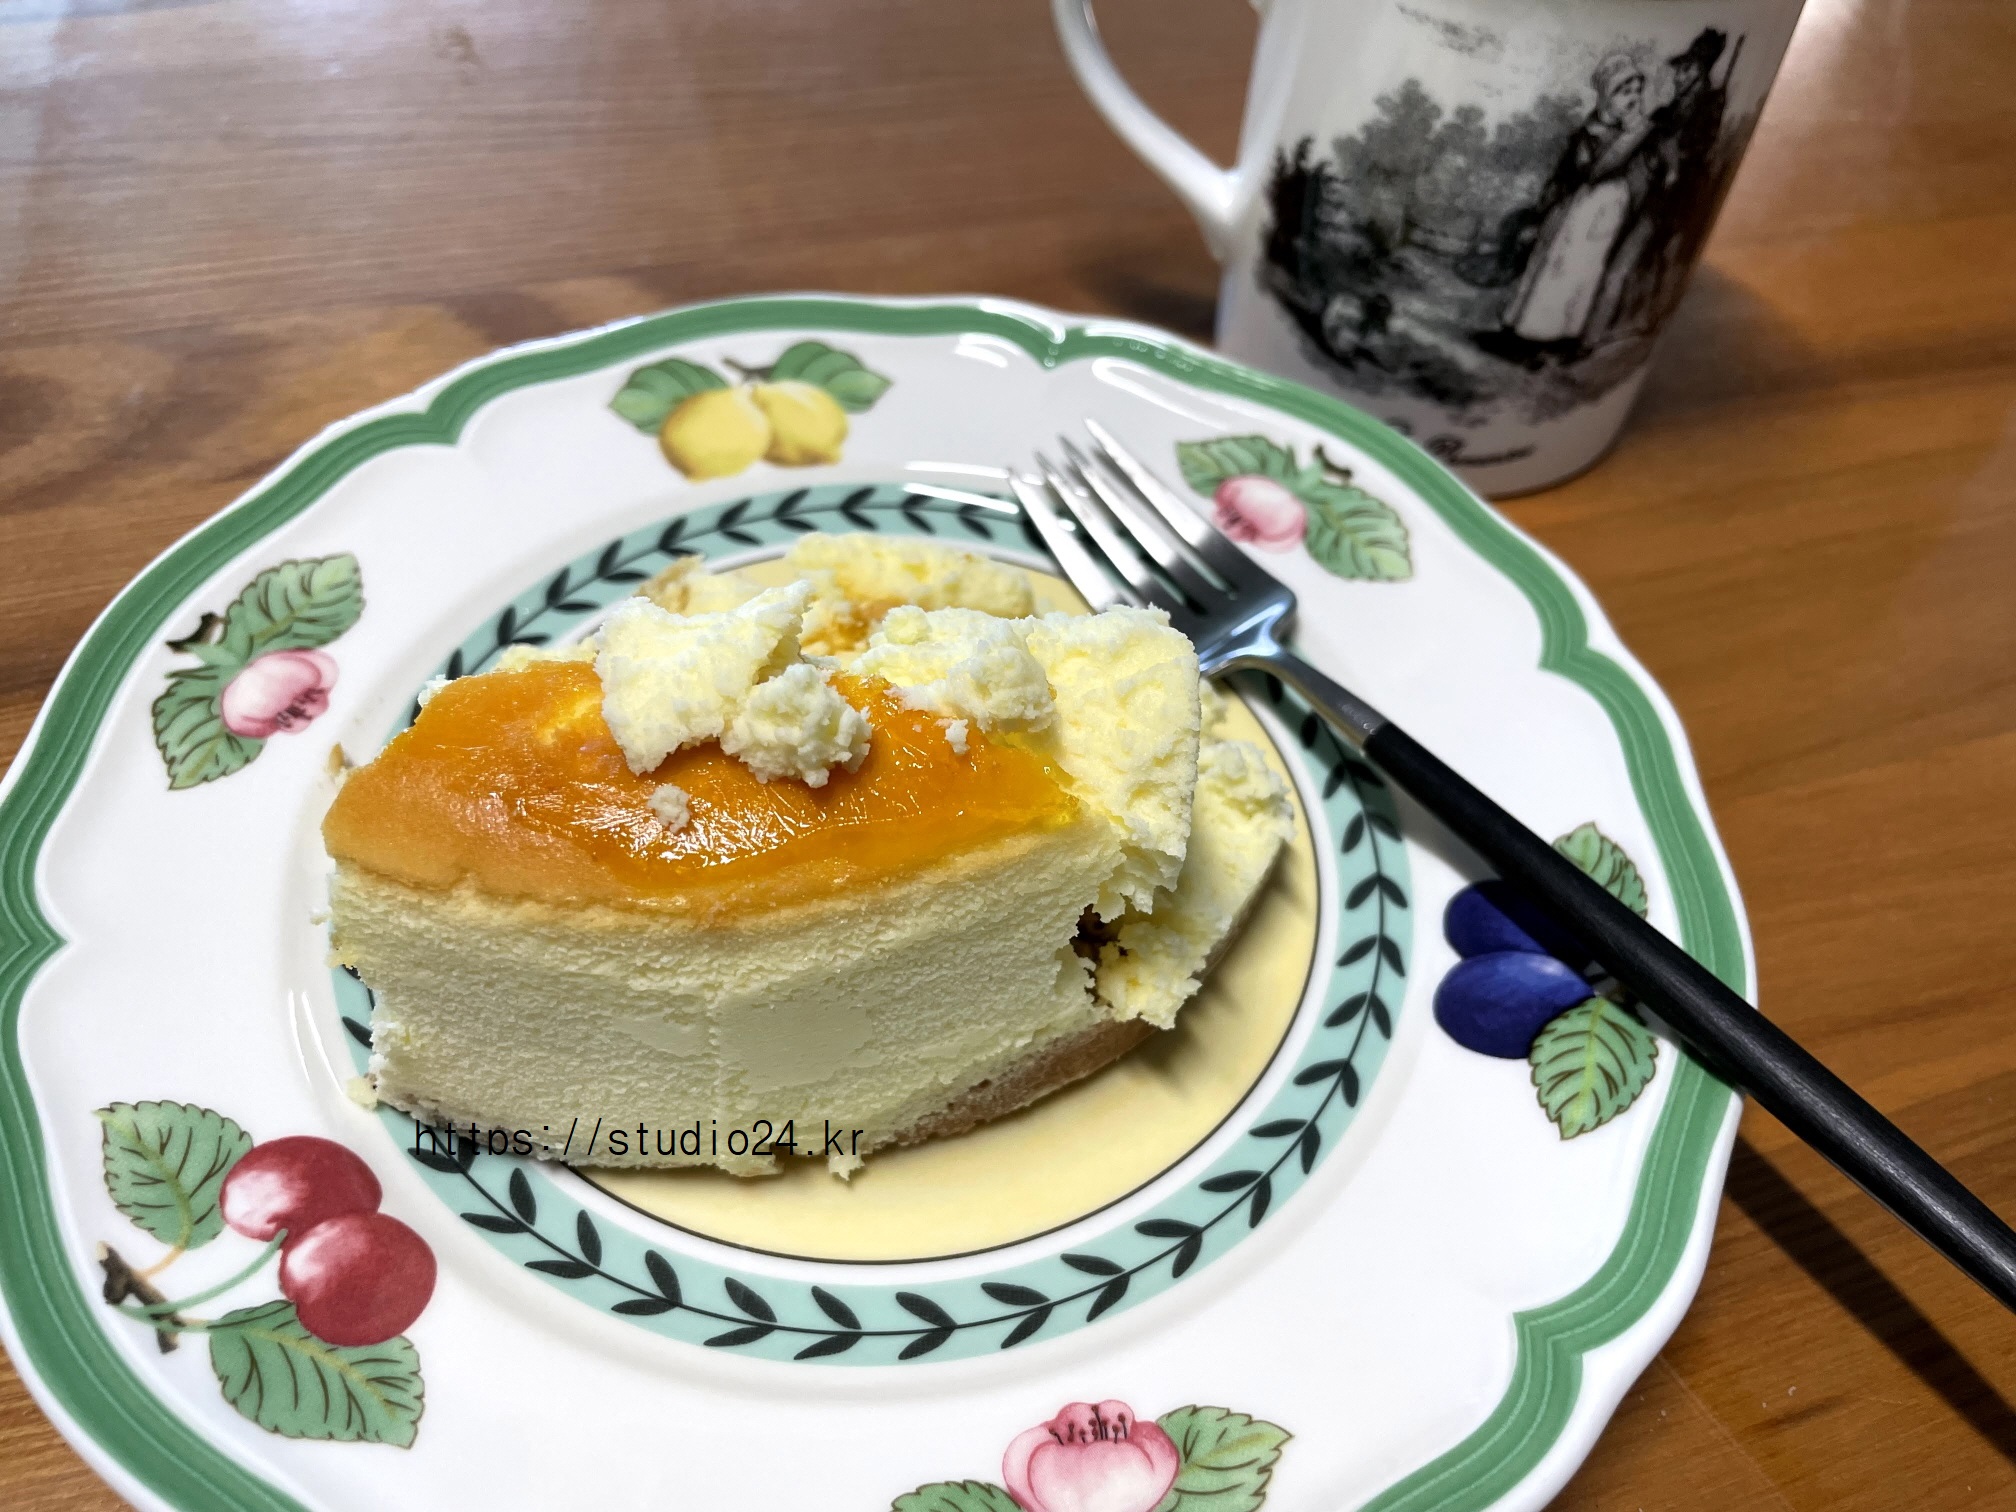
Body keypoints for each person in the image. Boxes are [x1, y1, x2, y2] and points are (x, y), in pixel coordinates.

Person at [1491, 55, 1659, 361]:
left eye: (1637, 91)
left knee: (1583, 271)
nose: (1634, 99)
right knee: (1556, 266)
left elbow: (1636, 176)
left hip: (1607, 211)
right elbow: (1588, 170)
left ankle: (1557, 336)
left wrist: (1636, 135)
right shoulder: (1593, 131)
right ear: (1606, 95)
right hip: (1581, 207)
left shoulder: (1637, 133)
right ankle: (1527, 331)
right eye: (1625, 91)